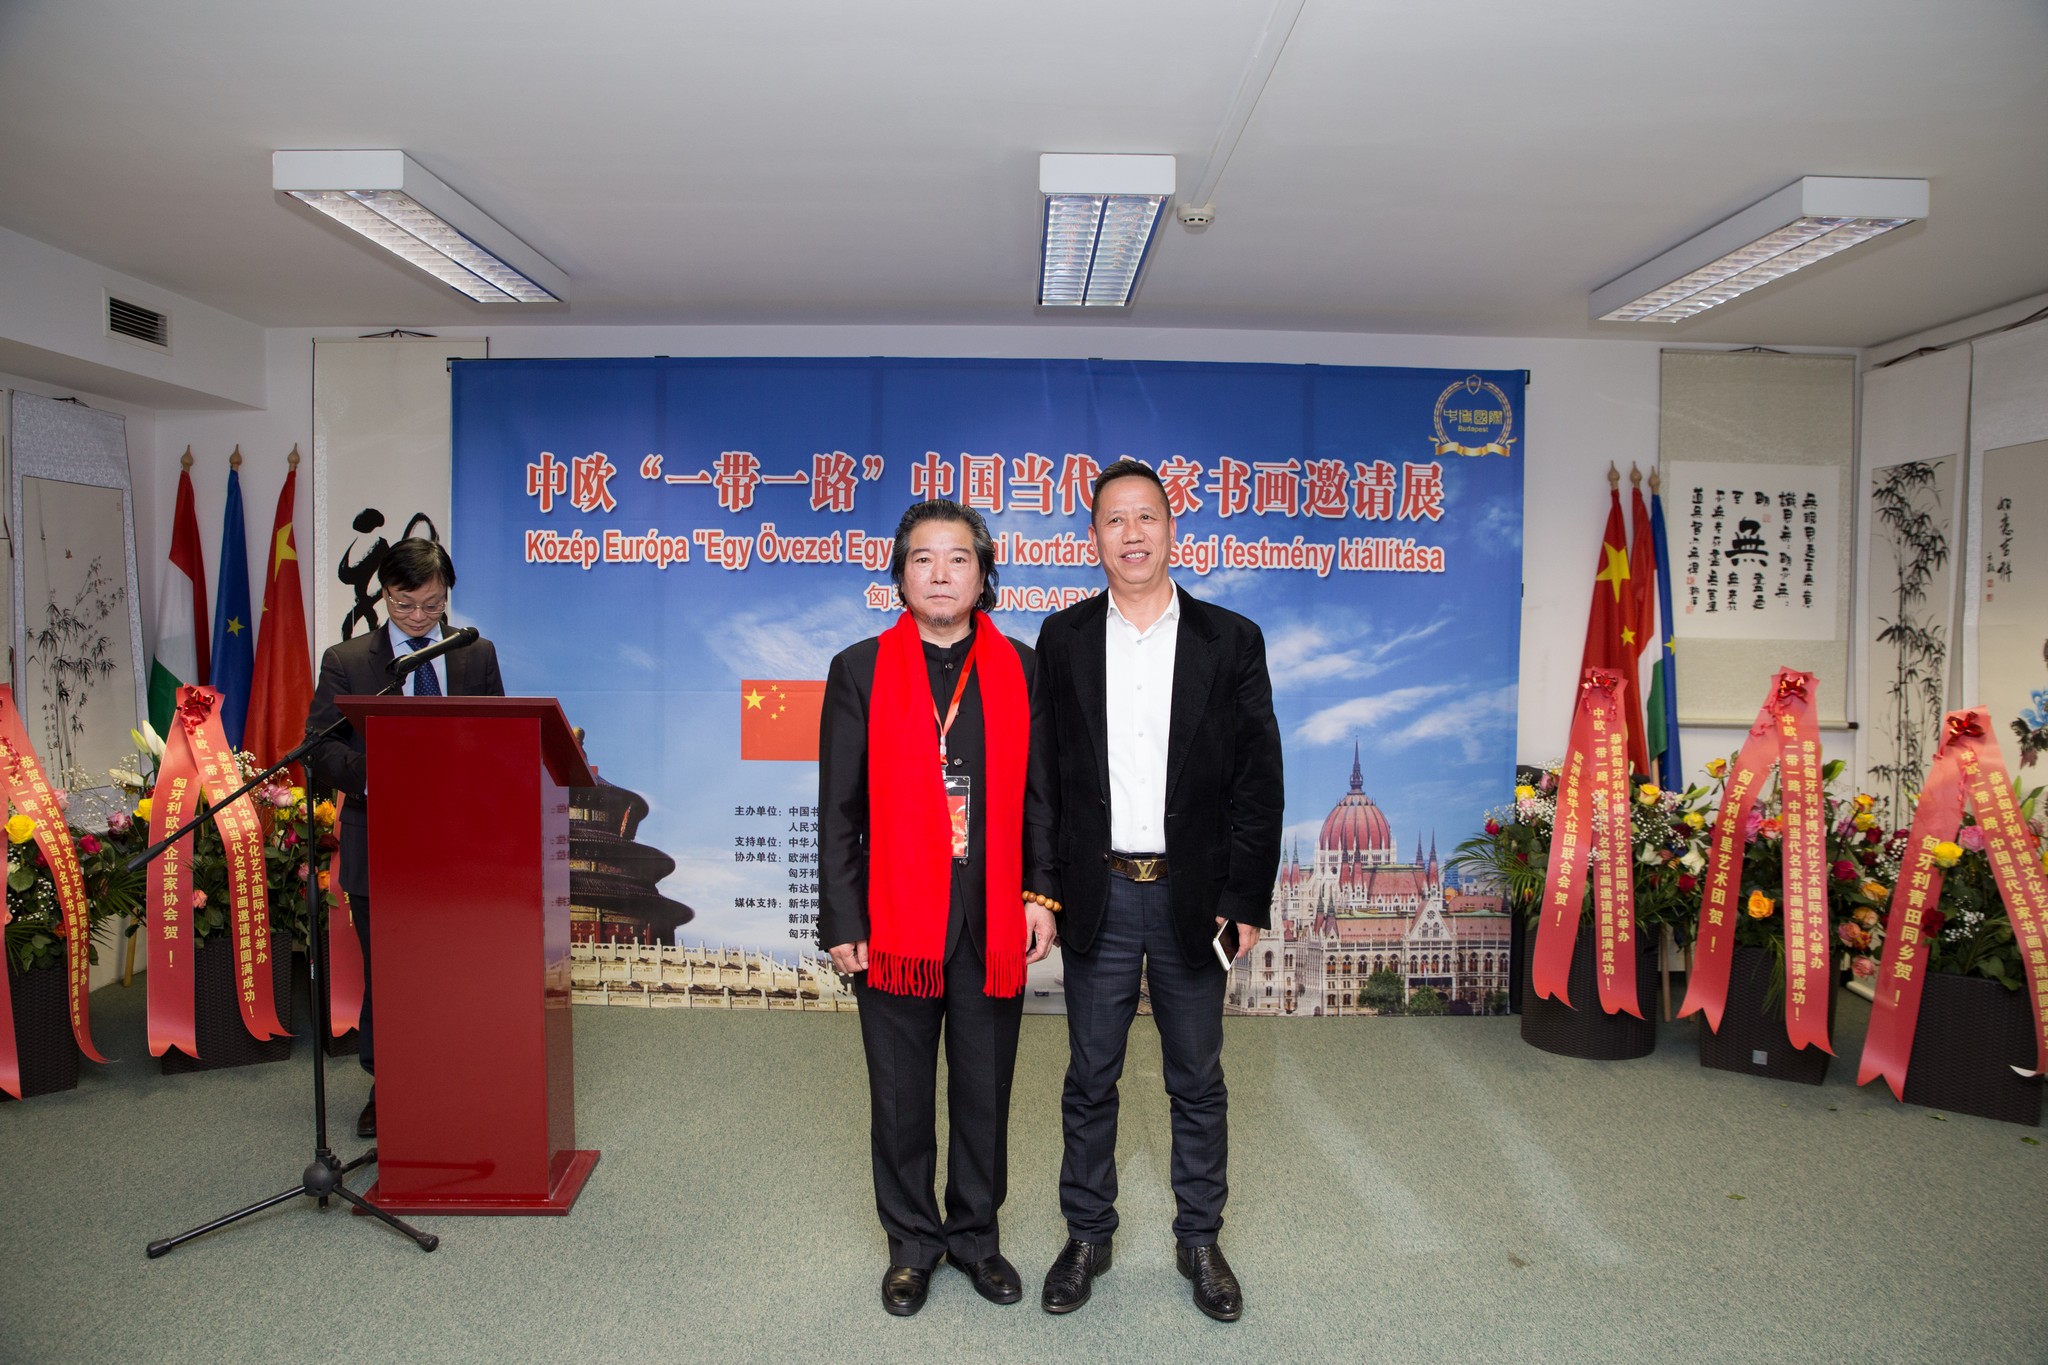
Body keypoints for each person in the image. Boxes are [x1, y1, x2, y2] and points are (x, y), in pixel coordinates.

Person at [1026, 458, 1283, 1323]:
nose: (1131, 533)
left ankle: (1200, 1238)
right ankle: (1086, 1235)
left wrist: (1246, 899)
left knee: (1197, 1078)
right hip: (1098, 892)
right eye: (1114, 520)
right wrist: (1041, 891)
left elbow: (1259, 782)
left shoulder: (1231, 640)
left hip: (1194, 899)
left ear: (1173, 530)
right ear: (1093, 537)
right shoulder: (1062, 639)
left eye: (1147, 517)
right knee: (1089, 1076)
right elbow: (1044, 781)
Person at [817, 499, 1058, 1317]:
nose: (942, 574)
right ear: (900, 576)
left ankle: (976, 1238)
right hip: (892, 918)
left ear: (984, 575)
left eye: (959, 558)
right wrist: (843, 919)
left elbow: (1042, 799)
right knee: (900, 1092)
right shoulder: (858, 668)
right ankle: (913, 1245)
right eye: (923, 558)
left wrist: (1040, 895)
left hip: (991, 914)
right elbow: (839, 807)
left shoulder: (1022, 669)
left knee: (986, 1089)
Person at [303, 537, 505, 1139]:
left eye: (431, 604)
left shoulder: (474, 654)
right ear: (384, 595)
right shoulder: (348, 661)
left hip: (460, 843)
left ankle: (458, 1077)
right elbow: (319, 748)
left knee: (457, 967)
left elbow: (498, 735)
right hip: (380, 839)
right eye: (403, 604)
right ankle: (387, 1084)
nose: (418, 617)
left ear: (447, 596)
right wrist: (378, 776)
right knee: (390, 971)